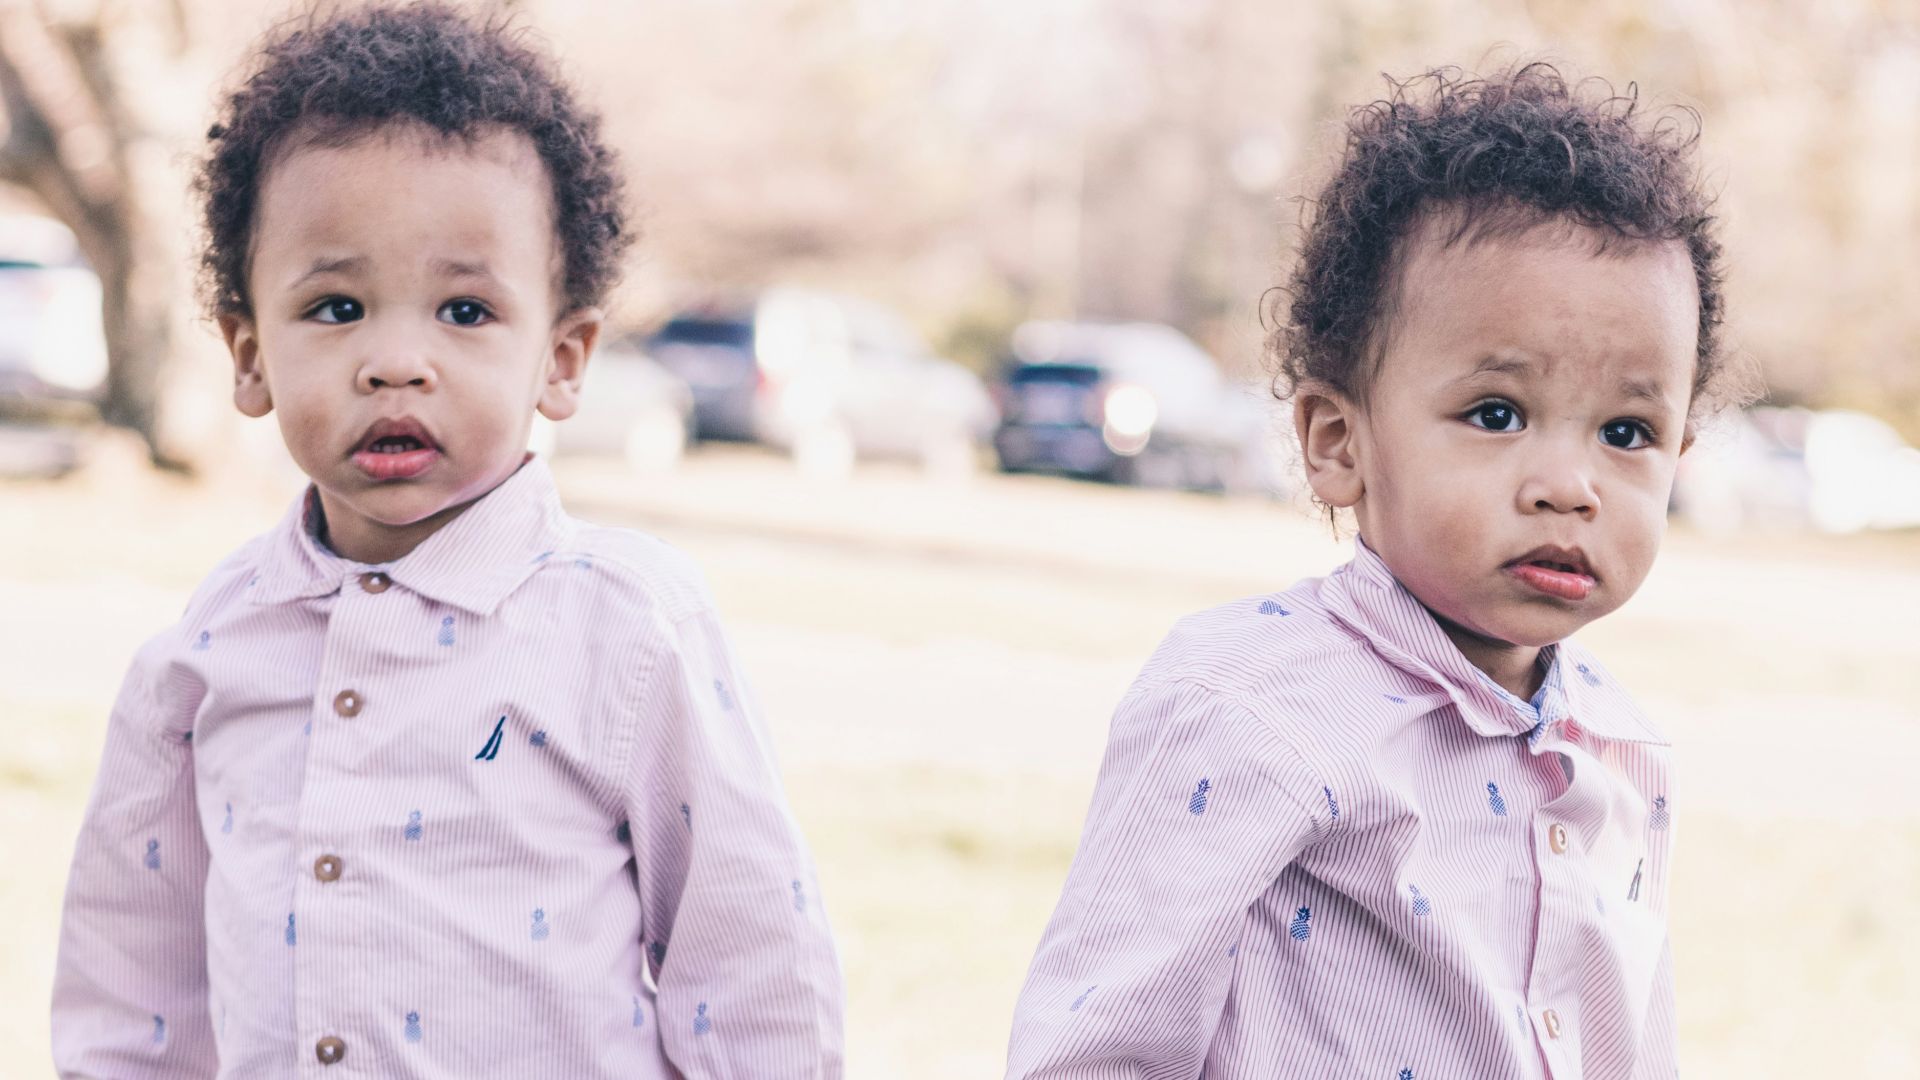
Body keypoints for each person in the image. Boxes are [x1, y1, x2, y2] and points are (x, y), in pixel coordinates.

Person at [51, 6, 842, 1077]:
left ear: (562, 360)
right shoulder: (199, 664)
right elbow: (134, 1001)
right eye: (336, 306)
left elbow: (750, 967)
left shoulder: (624, 630)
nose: (395, 361)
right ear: (248, 357)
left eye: (464, 313)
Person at [1006, 63, 1756, 1078]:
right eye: (1496, 414)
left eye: (1628, 431)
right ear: (1337, 441)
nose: (1570, 485)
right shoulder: (1247, 704)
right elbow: (1098, 1046)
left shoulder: (1622, 752)